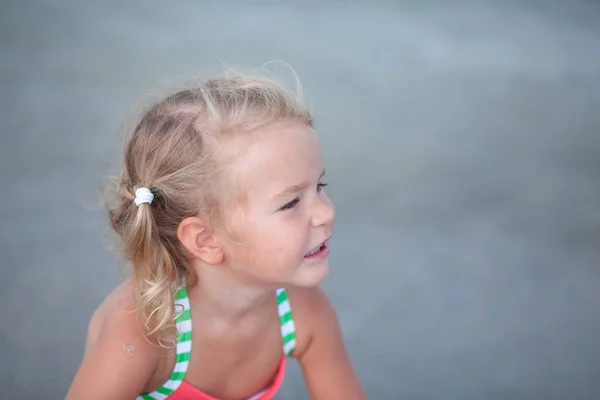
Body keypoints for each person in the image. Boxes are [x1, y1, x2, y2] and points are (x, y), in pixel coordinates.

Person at [66, 71, 367, 400]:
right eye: (291, 202)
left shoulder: (302, 313)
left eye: (320, 187)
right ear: (206, 240)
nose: (327, 212)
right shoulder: (143, 333)